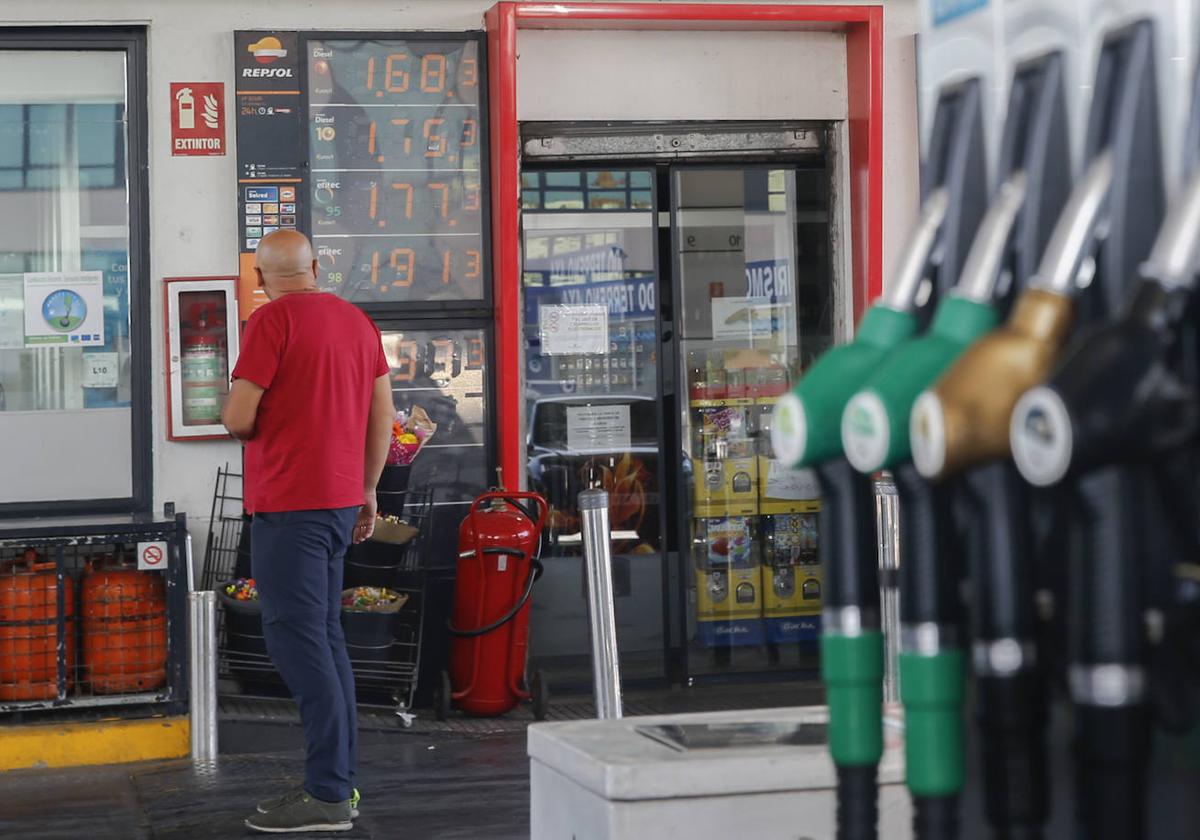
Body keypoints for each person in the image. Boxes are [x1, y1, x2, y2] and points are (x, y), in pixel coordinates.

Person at [222, 230, 394, 834]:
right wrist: (367, 489)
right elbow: (384, 416)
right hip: (339, 504)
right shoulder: (357, 323)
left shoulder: (269, 324)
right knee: (326, 640)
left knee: (298, 642)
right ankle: (338, 788)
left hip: (290, 507)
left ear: (261, 280)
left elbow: (240, 418)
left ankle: (326, 794)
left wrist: (235, 411)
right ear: (316, 268)